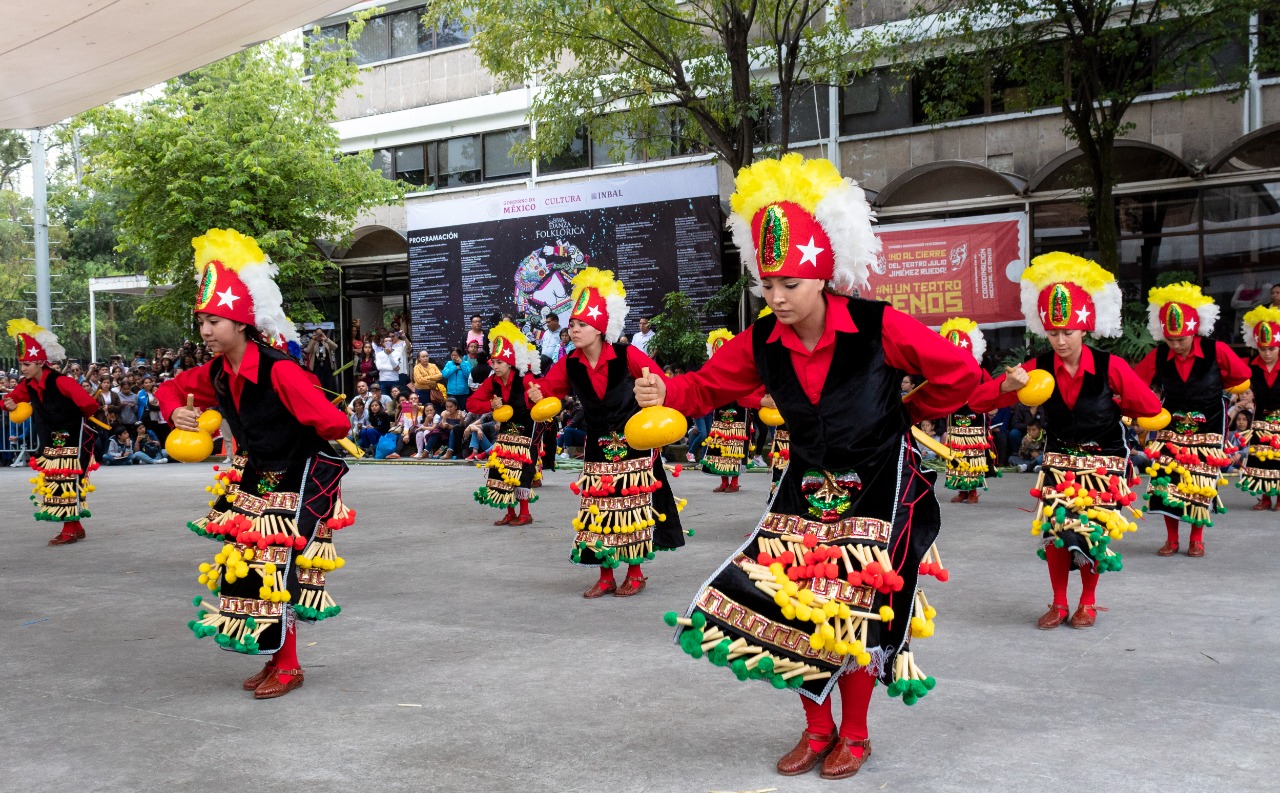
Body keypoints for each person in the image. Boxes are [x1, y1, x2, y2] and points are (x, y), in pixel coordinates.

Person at [638, 155, 981, 780]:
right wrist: (665, 394)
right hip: (806, 483)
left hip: (882, 479)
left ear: (821, 277)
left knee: (854, 607)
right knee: (789, 602)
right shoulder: (763, 339)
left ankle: (854, 735)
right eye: (766, 285)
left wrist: (910, 412)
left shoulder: (880, 327)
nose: (775, 297)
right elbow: (706, 389)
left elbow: (960, 373)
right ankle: (816, 729)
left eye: (788, 285)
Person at [157, 228, 355, 700]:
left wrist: (310, 418)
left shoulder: (280, 369)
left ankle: (288, 666)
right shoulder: (217, 371)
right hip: (253, 476)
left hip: (297, 474)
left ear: (242, 324)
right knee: (250, 568)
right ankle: (274, 658)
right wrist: (176, 412)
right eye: (202, 321)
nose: (205, 331)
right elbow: (170, 388)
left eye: (214, 322)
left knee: (277, 567)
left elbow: (332, 423)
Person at [971, 252, 1162, 630]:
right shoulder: (1037, 369)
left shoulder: (1111, 367)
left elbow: (1150, 405)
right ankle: (1059, 603)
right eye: (1054, 333)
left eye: (1068, 333)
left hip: (1104, 461)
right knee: (1057, 531)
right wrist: (1009, 385)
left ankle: (1087, 603)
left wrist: (1124, 404)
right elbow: (977, 401)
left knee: (1091, 533)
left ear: (1084, 329)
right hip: (1059, 461)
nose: (1060, 341)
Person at [528, 266, 686, 599]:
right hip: (597, 448)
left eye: (581, 324)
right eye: (571, 324)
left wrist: (654, 399)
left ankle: (636, 573)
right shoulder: (570, 362)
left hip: (634, 445)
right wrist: (537, 391)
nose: (574, 329)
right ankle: (605, 576)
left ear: (600, 329)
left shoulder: (628, 354)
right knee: (599, 512)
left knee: (633, 508)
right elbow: (549, 388)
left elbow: (662, 384)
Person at [1135, 283, 1250, 558]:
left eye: (1181, 339)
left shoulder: (1216, 350)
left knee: (1200, 480)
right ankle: (1171, 539)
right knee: (1167, 479)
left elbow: (1241, 375)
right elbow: (1136, 383)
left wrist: (1228, 394)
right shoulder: (1159, 354)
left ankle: (1196, 539)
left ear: (1194, 330)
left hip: (1208, 423)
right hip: (1171, 423)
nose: (1176, 345)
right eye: (1170, 340)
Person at [4, 319, 101, 545]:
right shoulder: (27, 384)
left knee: (65, 479)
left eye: (27, 364)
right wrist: (7, 405)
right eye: (22, 365)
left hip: (72, 436)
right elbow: (12, 399)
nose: (23, 368)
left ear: (40, 362)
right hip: (49, 436)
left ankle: (69, 529)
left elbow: (90, 405)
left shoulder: (62, 382)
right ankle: (75, 527)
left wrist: (71, 418)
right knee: (57, 479)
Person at [469, 321, 544, 525]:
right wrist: (490, 404)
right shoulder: (492, 381)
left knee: (522, 471)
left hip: (527, 432)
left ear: (510, 364)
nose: (494, 367)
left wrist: (538, 398)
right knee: (501, 469)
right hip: (505, 433)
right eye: (493, 362)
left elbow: (541, 398)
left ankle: (525, 514)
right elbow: (471, 402)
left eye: (499, 363)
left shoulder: (524, 378)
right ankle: (510, 513)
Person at [937, 318, 997, 503]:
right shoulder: (947, 376)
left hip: (975, 423)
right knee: (955, 456)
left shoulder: (980, 373)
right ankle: (961, 490)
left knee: (973, 457)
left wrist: (991, 407)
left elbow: (993, 391)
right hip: (954, 423)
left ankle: (972, 491)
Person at [1236, 306, 1280, 510]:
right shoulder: (1250, 366)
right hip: (1260, 420)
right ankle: (1265, 497)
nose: (1267, 353)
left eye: (1272, 349)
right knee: (1260, 459)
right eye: (1263, 349)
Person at [700, 328, 747, 493]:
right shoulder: (713, 369)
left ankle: (734, 483)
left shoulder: (738, 367)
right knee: (719, 449)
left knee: (733, 448)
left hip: (736, 411)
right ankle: (723, 482)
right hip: (719, 412)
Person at [305, 328, 339, 394]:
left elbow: (335, 347)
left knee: (328, 385)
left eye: (320, 333)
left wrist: (326, 339)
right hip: (316, 368)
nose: (319, 336)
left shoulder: (326, 342)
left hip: (327, 367)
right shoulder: (313, 342)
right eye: (317, 334)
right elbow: (307, 350)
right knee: (318, 385)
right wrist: (313, 339)